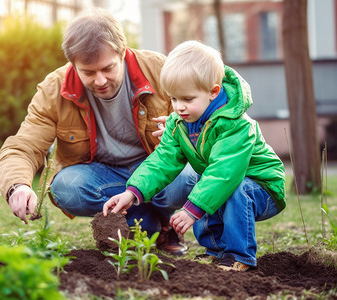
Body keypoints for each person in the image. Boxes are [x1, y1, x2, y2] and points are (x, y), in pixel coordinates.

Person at [0, 8, 195, 256]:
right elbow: (23, 146)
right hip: (103, 174)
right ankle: (149, 222)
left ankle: (159, 220)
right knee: (66, 188)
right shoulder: (54, 90)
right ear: (73, 64)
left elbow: (208, 112)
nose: (100, 80)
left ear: (122, 53)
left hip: (157, 165)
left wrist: (184, 130)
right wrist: (17, 186)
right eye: (88, 72)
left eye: (108, 68)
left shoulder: (161, 71)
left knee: (186, 177)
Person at [103, 40, 286, 271]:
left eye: (187, 99)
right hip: (225, 181)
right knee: (203, 183)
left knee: (232, 190)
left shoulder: (235, 125)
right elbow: (162, 161)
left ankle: (239, 256)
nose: (178, 107)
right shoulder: (179, 123)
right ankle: (216, 251)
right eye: (173, 98)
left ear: (213, 92)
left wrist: (191, 210)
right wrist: (132, 192)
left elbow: (224, 173)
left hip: (263, 187)